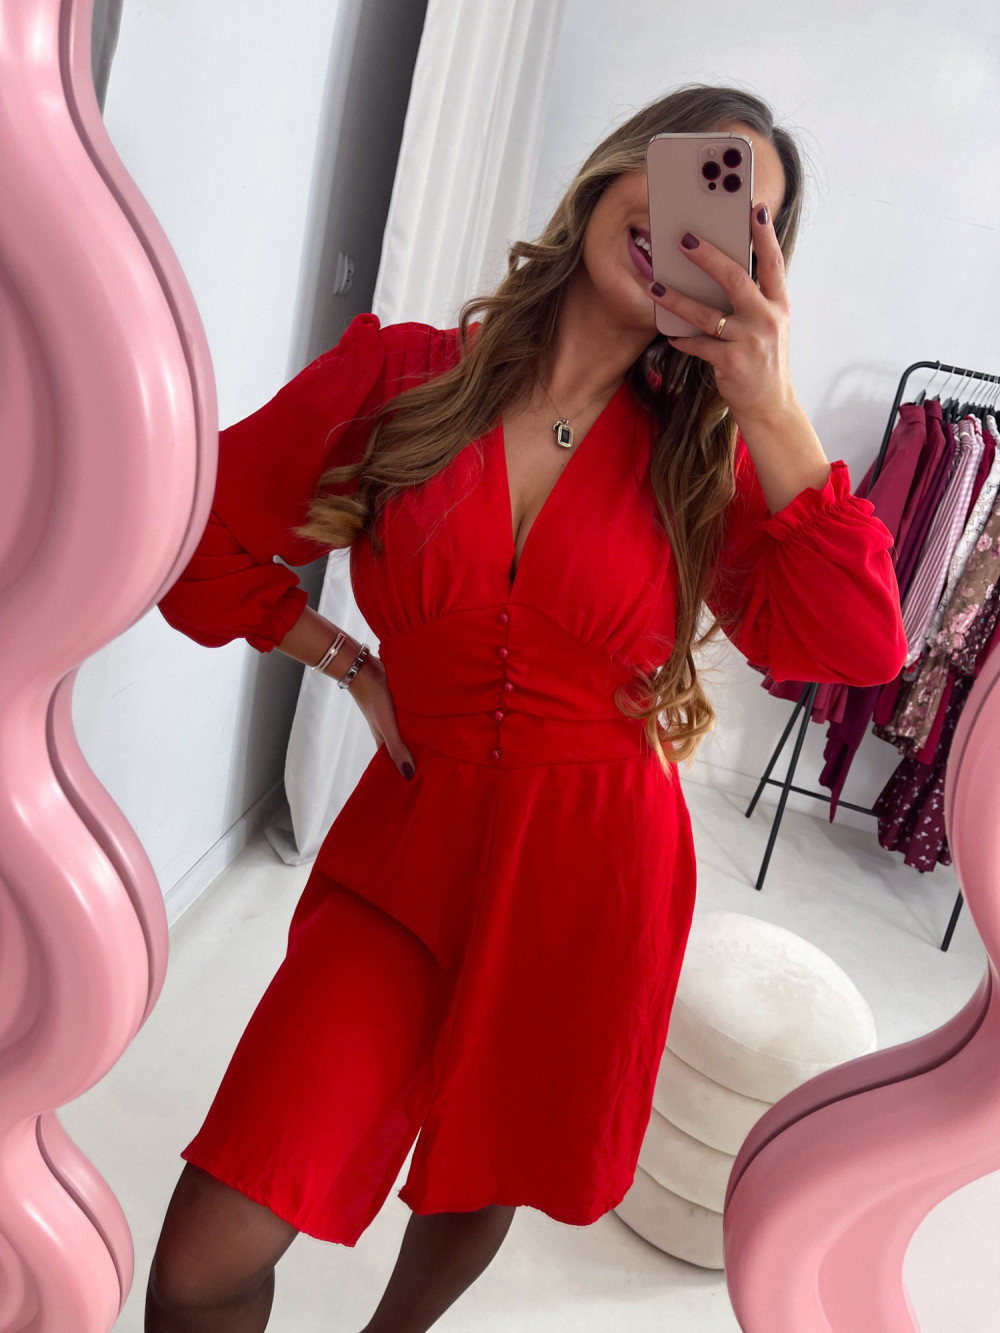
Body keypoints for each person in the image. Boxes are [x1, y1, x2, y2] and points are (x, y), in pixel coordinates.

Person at [148, 84, 907, 1332]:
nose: (697, 226)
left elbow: (857, 641)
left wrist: (769, 403)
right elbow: (193, 532)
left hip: (590, 882)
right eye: (698, 175)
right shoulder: (401, 379)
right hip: (404, 862)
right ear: (619, 170)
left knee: (484, 1163)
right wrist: (346, 662)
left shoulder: (705, 462)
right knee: (203, 1259)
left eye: (740, 220)